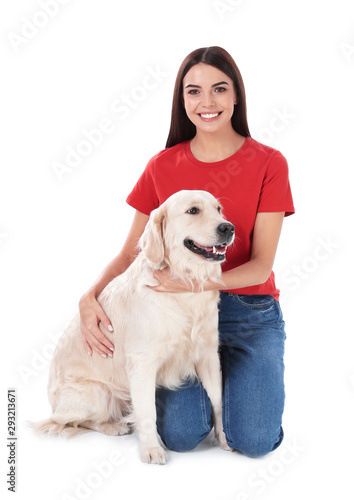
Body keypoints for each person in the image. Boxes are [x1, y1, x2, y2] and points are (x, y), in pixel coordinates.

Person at [78, 46, 295, 458]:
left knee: (254, 442)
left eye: (219, 89)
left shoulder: (269, 162)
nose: (207, 102)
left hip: (250, 312)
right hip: (174, 315)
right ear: (183, 100)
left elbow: (261, 265)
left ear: (236, 96)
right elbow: (131, 253)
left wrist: (198, 285)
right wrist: (89, 297)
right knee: (180, 436)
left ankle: (241, 382)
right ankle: (224, 388)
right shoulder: (162, 165)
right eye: (194, 92)